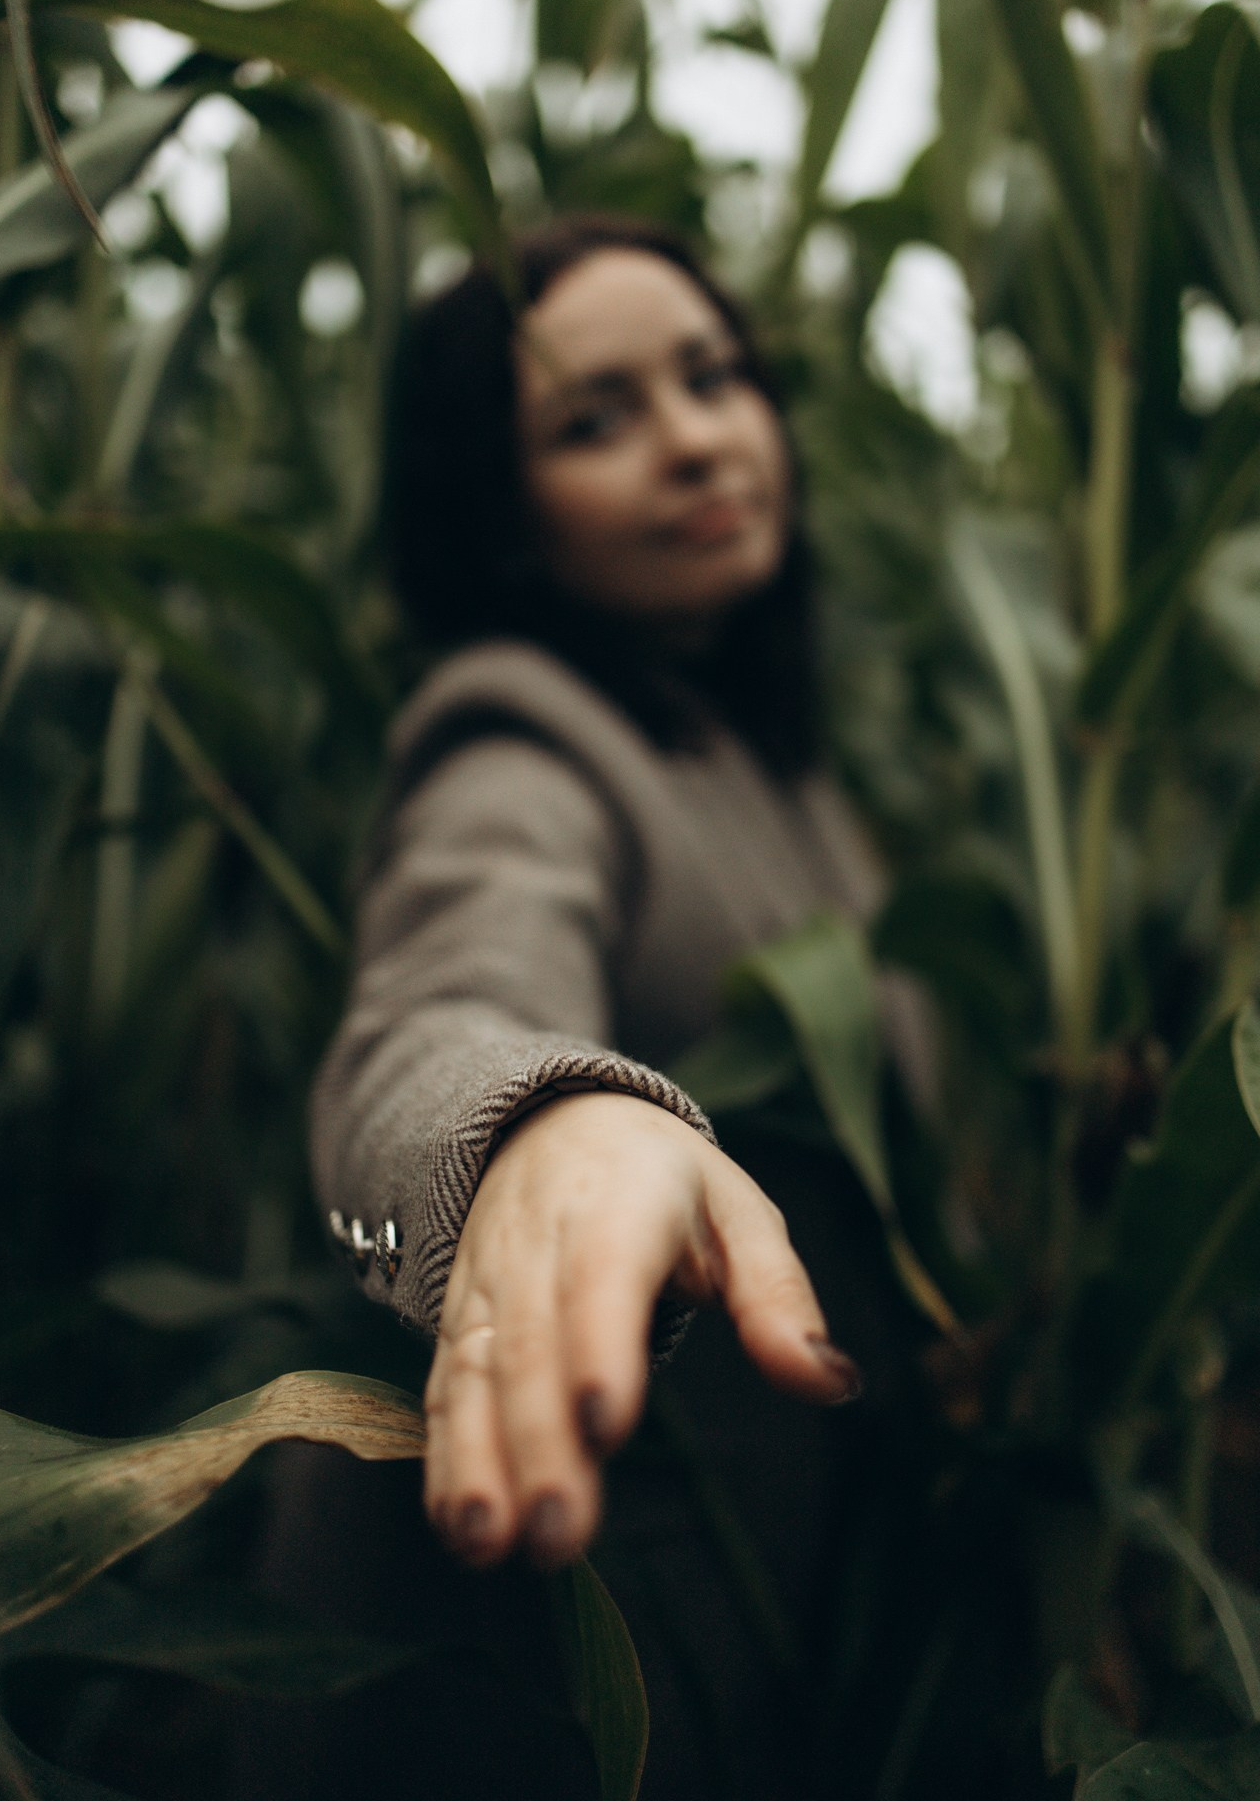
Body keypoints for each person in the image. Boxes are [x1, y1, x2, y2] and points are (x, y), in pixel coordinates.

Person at [258, 214, 931, 1801]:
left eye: (713, 378)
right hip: (552, 1693)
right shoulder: (518, 743)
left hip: (786, 1645)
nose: (694, 441)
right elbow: (446, 992)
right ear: (501, 513)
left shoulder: (780, 766)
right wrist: (541, 1124)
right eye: (595, 419)